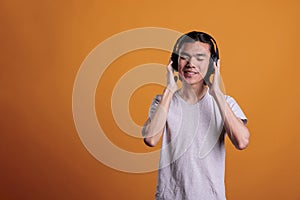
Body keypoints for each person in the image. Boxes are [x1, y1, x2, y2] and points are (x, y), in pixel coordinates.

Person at [142, 31, 250, 200]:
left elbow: (242, 141)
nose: (191, 64)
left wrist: (217, 93)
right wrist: (169, 90)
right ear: (175, 61)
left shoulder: (225, 103)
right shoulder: (162, 101)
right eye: (184, 57)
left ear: (213, 64)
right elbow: (151, 139)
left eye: (200, 58)